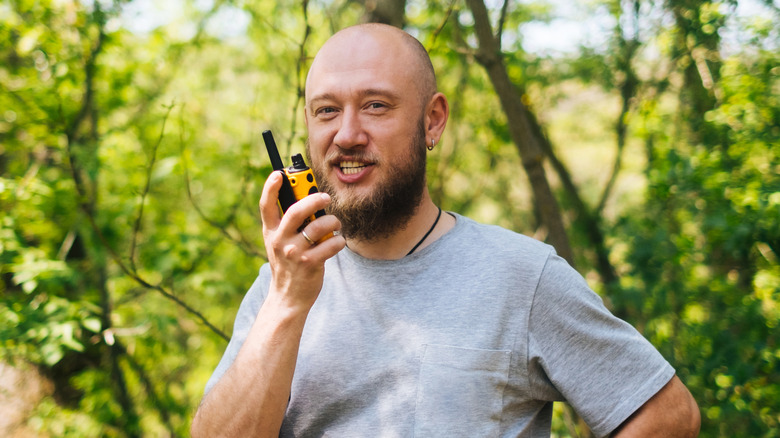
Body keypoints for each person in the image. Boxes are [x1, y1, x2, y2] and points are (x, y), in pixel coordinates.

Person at [191, 23, 700, 437]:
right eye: (327, 110)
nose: (346, 134)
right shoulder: (279, 286)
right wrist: (286, 300)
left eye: (376, 105)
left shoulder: (522, 276)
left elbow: (667, 417)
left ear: (432, 121)